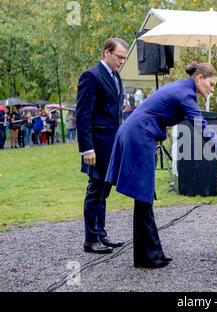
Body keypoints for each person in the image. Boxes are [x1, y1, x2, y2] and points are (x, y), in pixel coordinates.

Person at [106, 62, 217, 268]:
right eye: (211, 84)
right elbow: (202, 127)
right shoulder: (185, 94)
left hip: (137, 132)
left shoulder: (182, 88)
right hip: (138, 135)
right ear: (199, 78)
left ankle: (152, 254)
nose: (212, 89)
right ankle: (147, 257)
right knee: (144, 196)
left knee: (144, 198)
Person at [76, 38, 129, 254]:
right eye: (119, 57)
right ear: (107, 52)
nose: (122, 62)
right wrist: (87, 149)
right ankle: (91, 239)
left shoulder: (115, 76)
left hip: (111, 145)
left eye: (124, 58)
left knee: (104, 190)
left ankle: (101, 233)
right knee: (95, 190)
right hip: (96, 147)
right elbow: (83, 115)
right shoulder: (91, 76)